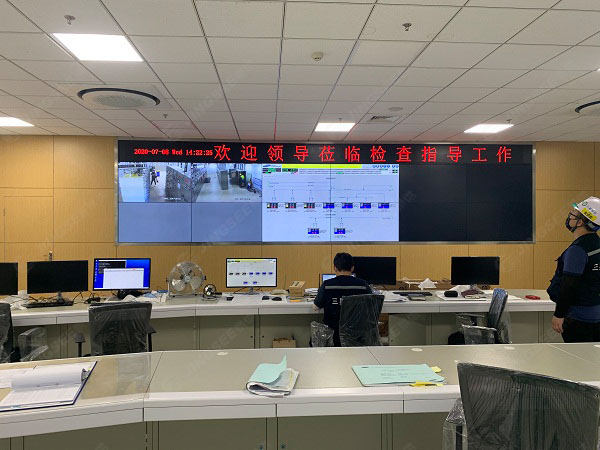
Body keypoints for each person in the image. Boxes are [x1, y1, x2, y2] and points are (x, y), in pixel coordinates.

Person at [548, 197, 600, 342]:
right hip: (596, 315)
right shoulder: (596, 245)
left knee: (577, 355)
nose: (569, 215)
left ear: (580, 222)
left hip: (577, 318)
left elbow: (569, 285)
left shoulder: (577, 250)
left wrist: (559, 315)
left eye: (573, 213)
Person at [313, 252, 372, 346]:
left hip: (333, 336)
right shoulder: (363, 285)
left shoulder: (327, 285)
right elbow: (372, 306)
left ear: (335, 268)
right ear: (352, 268)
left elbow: (316, 307)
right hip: (357, 337)